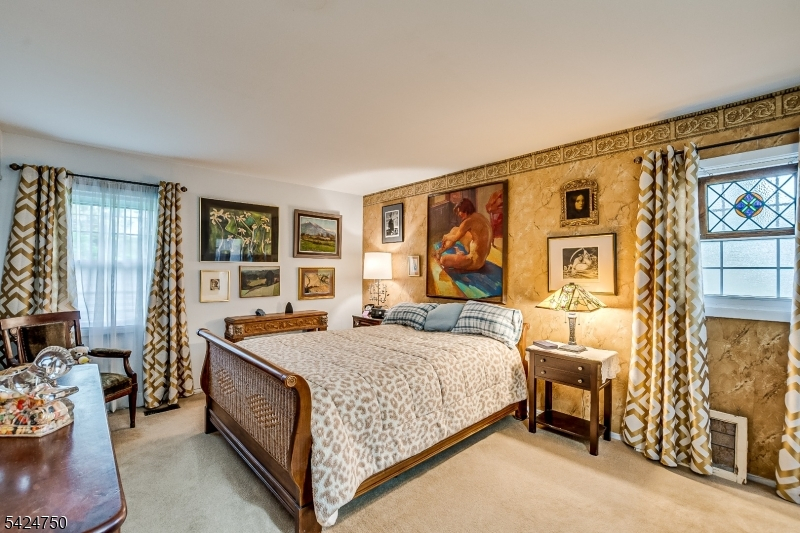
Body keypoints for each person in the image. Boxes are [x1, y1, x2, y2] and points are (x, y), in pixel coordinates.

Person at [435, 198, 492, 271]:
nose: (458, 214)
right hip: (481, 257)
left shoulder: (467, 222)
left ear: (465, 209)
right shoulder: (478, 216)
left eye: (459, 211)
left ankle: (442, 252)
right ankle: (440, 251)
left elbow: (455, 238)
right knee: (455, 230)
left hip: (474, 261)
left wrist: (445, 237)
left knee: (443, 260)